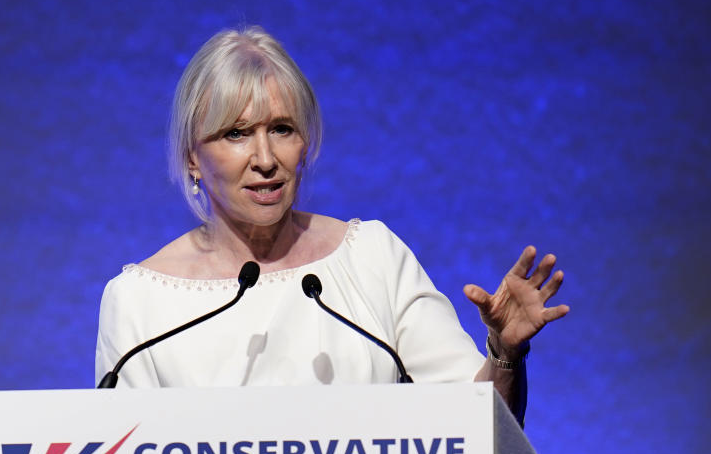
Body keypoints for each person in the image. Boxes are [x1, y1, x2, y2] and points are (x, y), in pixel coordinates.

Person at [95, 26, 568, 424]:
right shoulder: (141, 303)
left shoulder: (372, 260)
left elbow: (482, 438)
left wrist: (505, 352)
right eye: (235, 134)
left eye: (281, 129)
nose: (265, 159)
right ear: (192, 158)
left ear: (306, 142)